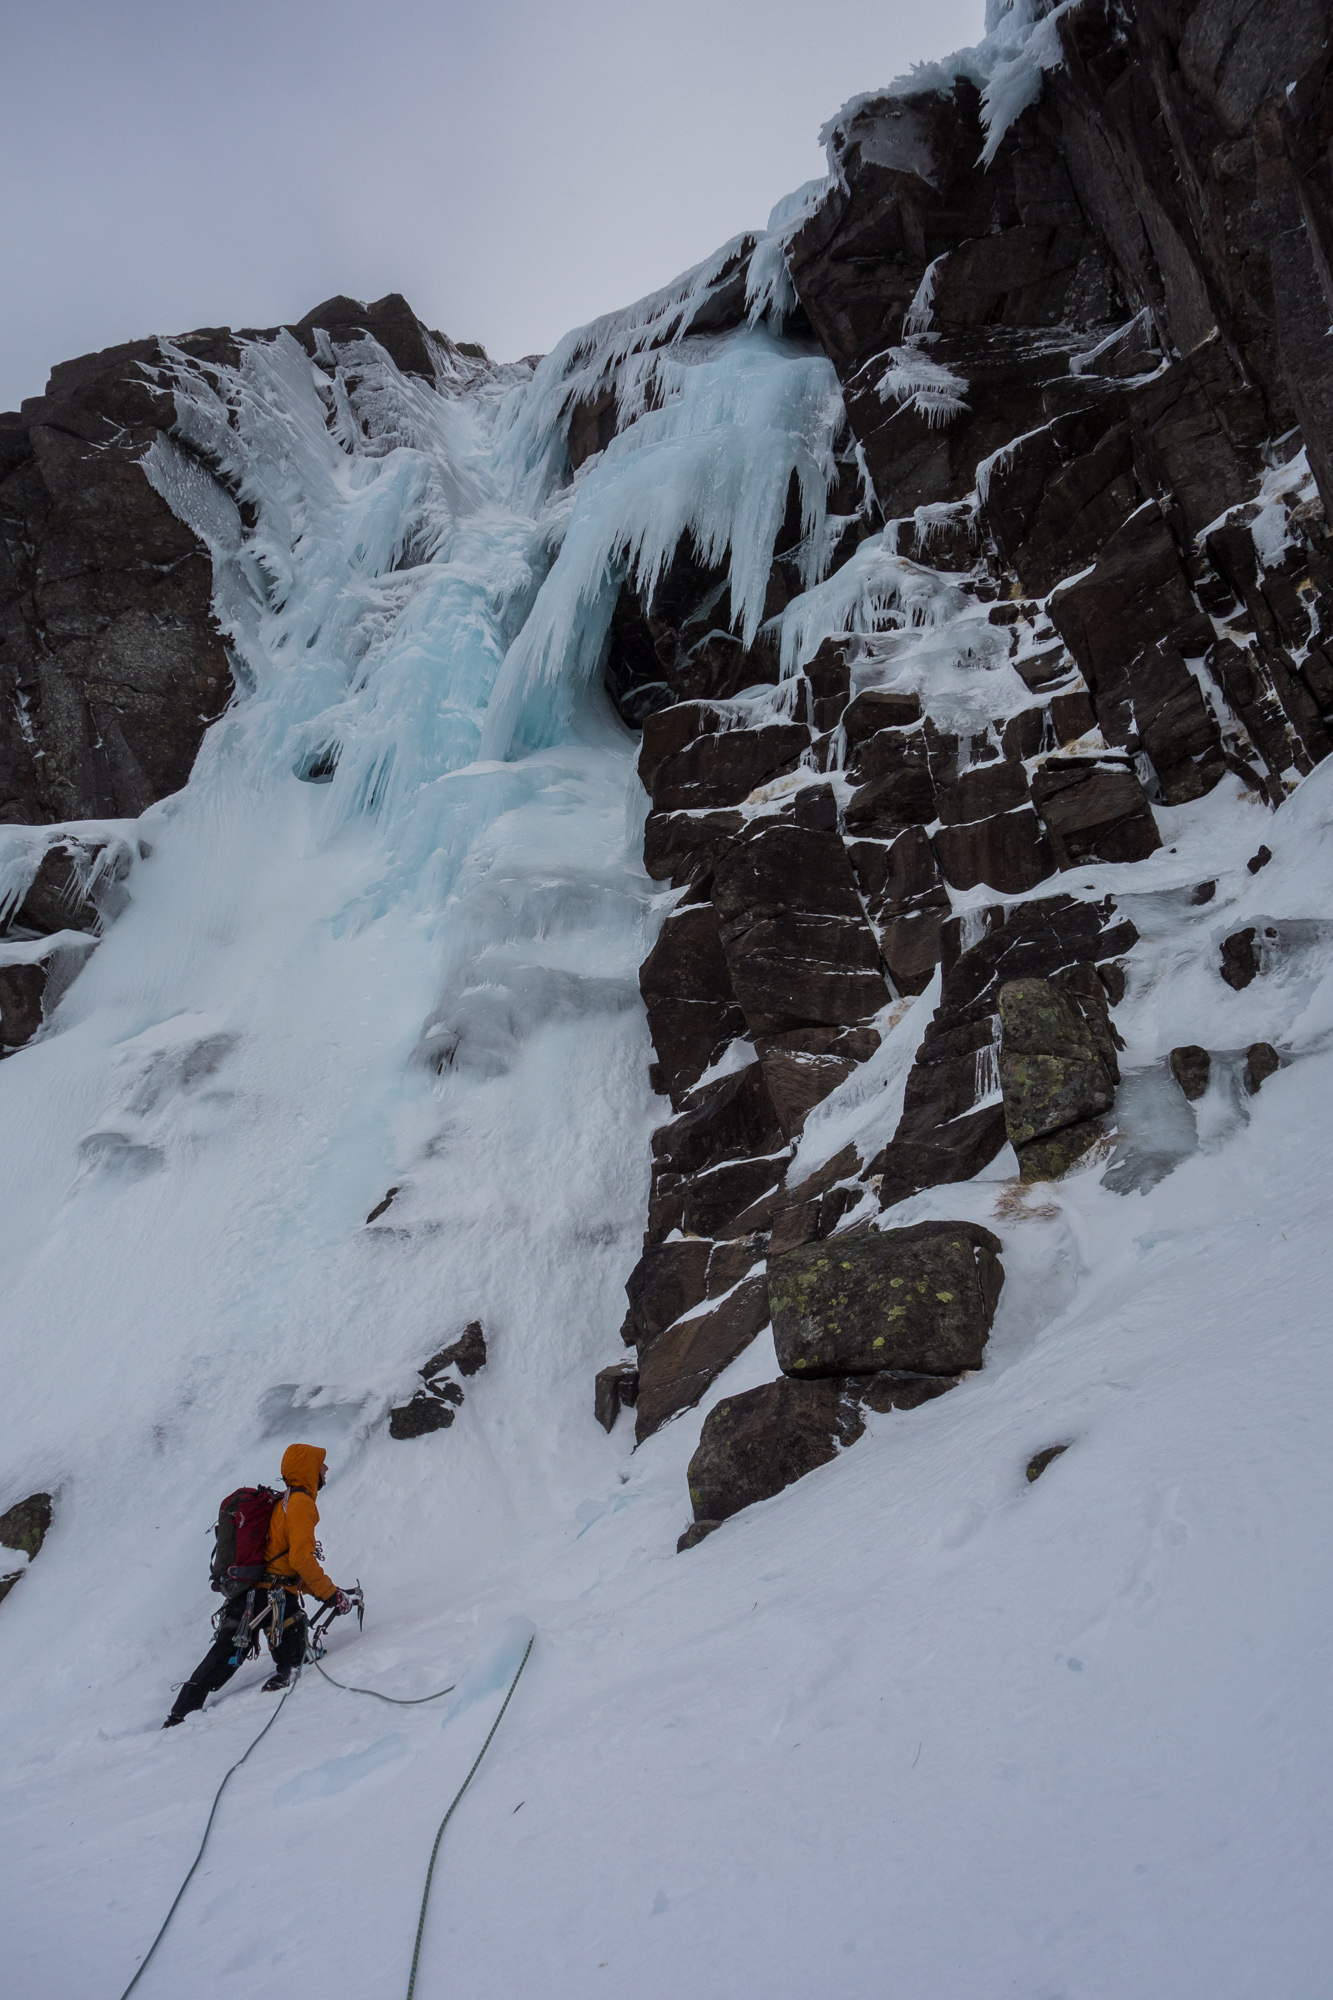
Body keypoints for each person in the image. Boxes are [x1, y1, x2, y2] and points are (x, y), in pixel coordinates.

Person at [164, 1442, 352, 1727]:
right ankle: (278, 1684)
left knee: (225, 1651)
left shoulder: (283, 1502)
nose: (325, 1469)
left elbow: (283, 1561)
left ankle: (179, 1714)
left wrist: (323, 1592)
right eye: (321, 1465)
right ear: (310, 1470)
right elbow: (301, 1559)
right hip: (276, 1599)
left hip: (251, 1593)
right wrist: (329, 1594)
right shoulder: (301, 1504)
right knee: (292, 1659)